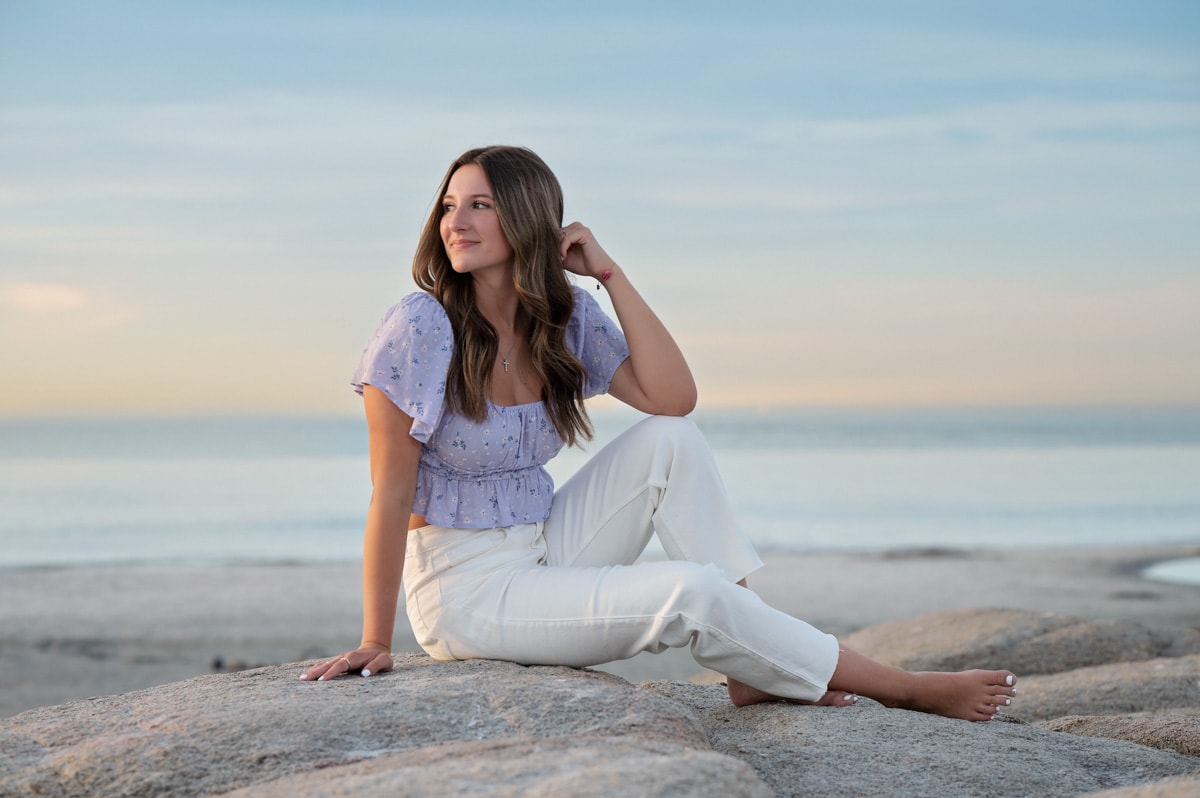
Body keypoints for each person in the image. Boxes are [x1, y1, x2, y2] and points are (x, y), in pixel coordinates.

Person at [301, 145, 1017, 721]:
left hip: (544, 544)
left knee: (672, 443)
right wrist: (375, 639)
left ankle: (750, 672)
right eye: (450, 206)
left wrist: (610, 275)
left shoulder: (563, 317)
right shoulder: (419, 328)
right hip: (467, 594)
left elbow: (673, 398)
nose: (456, 221)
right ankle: (904, 687)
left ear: (524, 218)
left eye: (480, 205)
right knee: (689, 593)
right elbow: (390, 496)